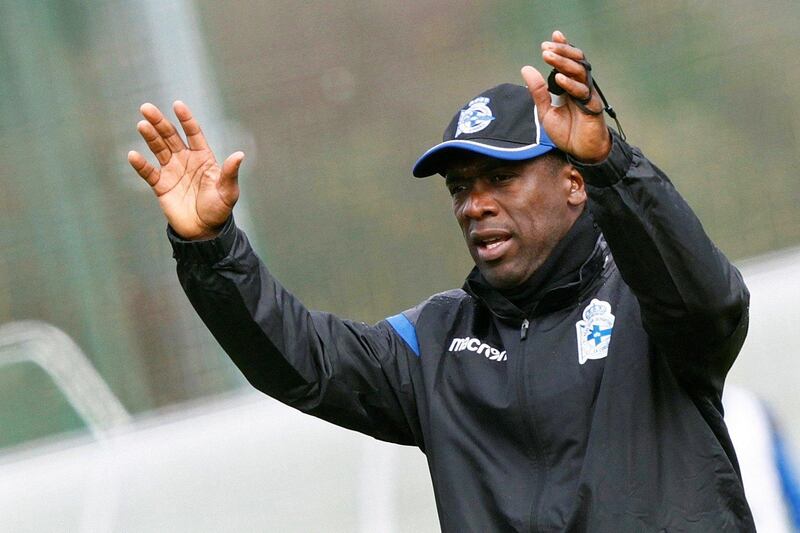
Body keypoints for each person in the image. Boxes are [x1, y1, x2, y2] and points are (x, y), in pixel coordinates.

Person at [128, 31, 755, 531]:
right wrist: (211, 248)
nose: (474, 205)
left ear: (572, 182)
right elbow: (304, 362)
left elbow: (710, 298)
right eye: (461, 187)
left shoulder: (651, 304)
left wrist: (610, 162)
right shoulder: (436, 341)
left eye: (501, 180)